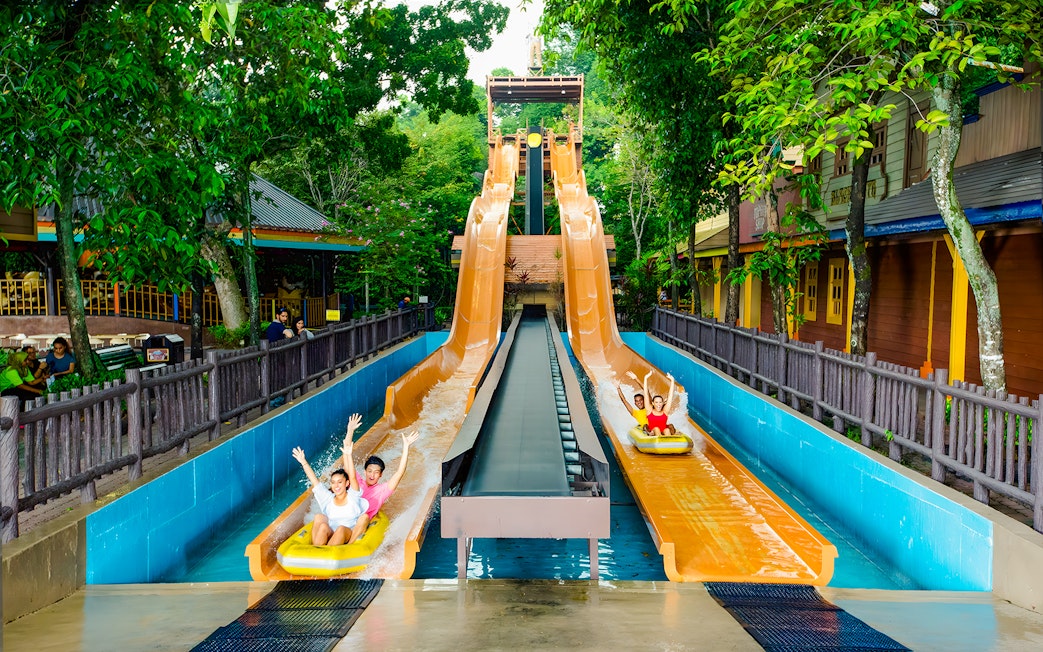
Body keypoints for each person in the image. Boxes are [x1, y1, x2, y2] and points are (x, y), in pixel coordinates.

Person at [336, 413, 420, 542]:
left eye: (376, 472)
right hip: (347, 518)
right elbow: (347, 454)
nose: (372, 475)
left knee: (363, 517)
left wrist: (406, 447)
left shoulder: (382, 490)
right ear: (364, 472)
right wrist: (350, 431)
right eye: (369, 471)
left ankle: (350, 546)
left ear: (380, 475)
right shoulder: (356, 481)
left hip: (362, 522)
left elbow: (399, 473)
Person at [291, 430, 369, 546]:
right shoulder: (328, 498)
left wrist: (348, 455)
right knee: (320, 521)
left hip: (347, 533)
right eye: (333, 482)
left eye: (339, 482)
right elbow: (315, 481)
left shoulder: (353, 495)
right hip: (331, 534)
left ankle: (342, 551)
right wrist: (303, 462)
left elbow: (352, 477)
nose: (336, 485)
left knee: (343, 528)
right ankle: (316, 550)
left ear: (346, 483)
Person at [645, 372, 677, 437]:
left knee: (667, 430)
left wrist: (672, 381)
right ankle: (660, 443)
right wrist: (645, 378)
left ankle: (669, 444)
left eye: (660, 402)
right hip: (653, 433)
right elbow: (646, 394)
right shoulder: (649, 411)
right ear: (653, 403)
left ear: (662, 403)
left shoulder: (665, 411)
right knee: (656, 429)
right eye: (656, 402)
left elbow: (670, 396)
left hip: (663, 433)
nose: (658, 404)